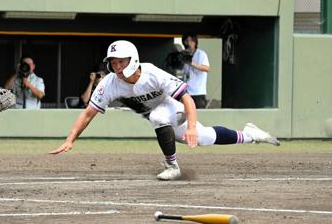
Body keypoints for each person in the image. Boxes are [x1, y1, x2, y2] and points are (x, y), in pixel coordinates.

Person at [49, 40, 280, 181]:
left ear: (133, 59)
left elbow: (187, 99)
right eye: (114, 62)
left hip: (172, 107)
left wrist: (189, 126)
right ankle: (251, 135)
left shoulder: (151, 73)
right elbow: (88, 112)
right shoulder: (109, 83)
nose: (117, 66)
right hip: (161, 117)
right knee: (206, 138)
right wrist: (70, 139)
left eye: (121, 61)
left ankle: (172, 166)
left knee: (159, 116)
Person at [181, 32, 210, 109]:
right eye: (186, 41)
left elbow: (206, 68)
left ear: (195, 42)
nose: (189, 43)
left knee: (199, 114)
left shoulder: (201, 54)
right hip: (186, 91)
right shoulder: (183, 54)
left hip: (198, 91)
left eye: (191, 40)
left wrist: (191, 63)